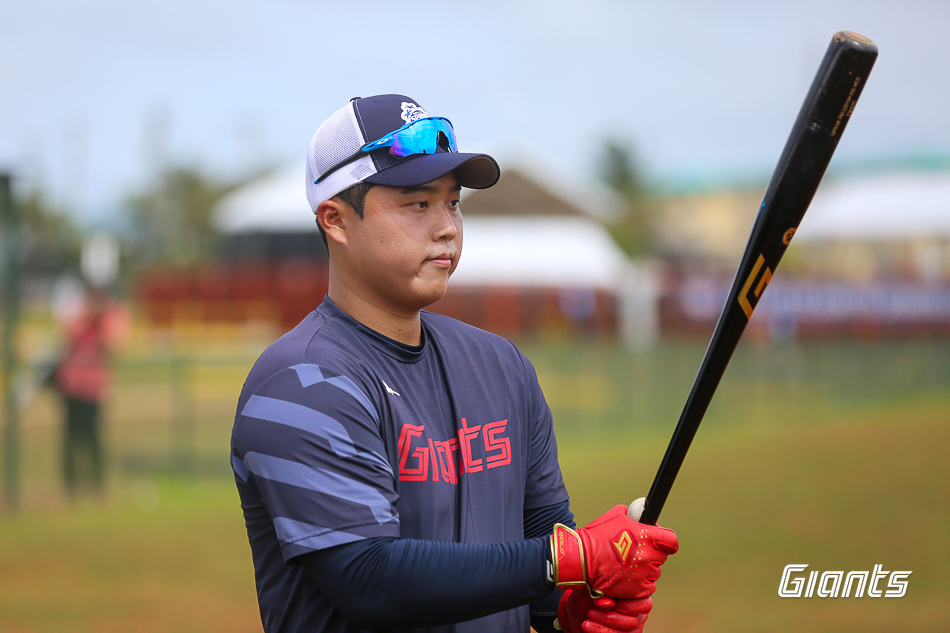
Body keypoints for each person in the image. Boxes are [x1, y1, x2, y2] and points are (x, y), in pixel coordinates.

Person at [230, 94, 678, 633]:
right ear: (336, 221)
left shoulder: (502, 366)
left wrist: (571, 610)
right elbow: (368, 578)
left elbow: (537, 560)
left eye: (453, 202)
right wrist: (569, 558)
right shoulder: (300, 381)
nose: (447, 227)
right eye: (418, 204)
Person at [53, 282, 128, 498]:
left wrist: (101, 321)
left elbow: (114, 344)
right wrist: (87, 317)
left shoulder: (112, 315)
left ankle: (97, 483)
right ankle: (70, 485)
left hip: (94, 388)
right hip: (71, 386)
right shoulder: (76, 313)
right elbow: (67, 335)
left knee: (93, 437)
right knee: (70, 437)